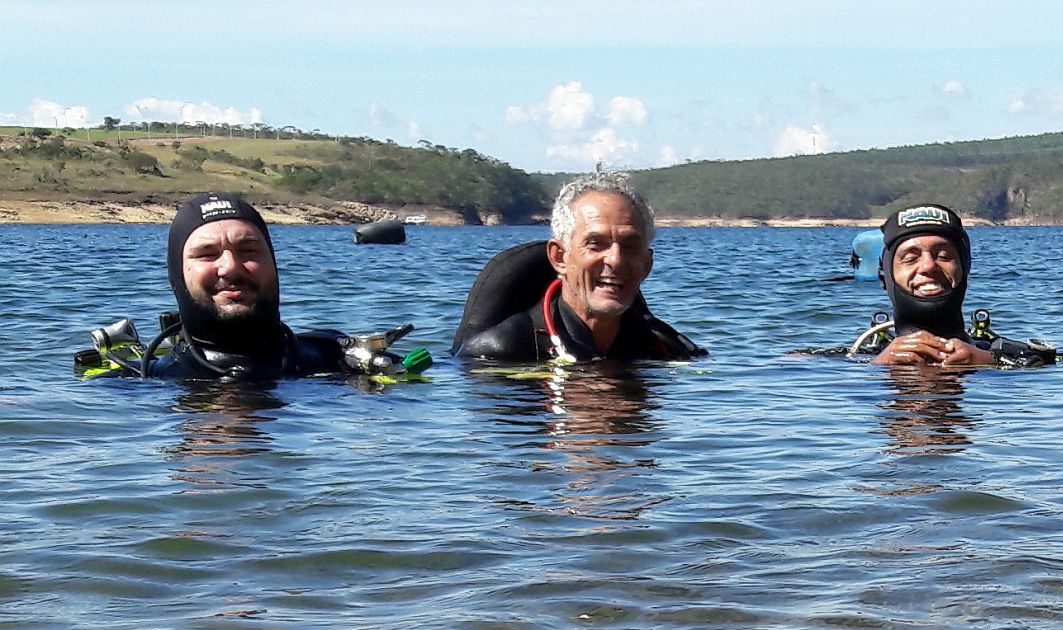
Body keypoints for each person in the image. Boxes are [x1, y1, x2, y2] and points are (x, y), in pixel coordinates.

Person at [76, 192, 415, 380]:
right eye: (207, 254)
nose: (231, 267)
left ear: (273, 265)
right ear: (177, 276)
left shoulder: (340, 362)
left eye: (248, 251)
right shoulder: (137, 384)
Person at [453, 171, 703, 363]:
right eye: (595, 244)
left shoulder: (665, 350)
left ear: (647, 264)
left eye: (630, 246)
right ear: (559, 257)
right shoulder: (500, 352)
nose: (615, 260)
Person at [859, 203, 1054, 368]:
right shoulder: (859, 359)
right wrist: (879, 366)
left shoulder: (1013, 358)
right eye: (910, 258)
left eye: (944, 256)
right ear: (887, 275)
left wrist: (986, 361)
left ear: (964, 266)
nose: (928, 266)